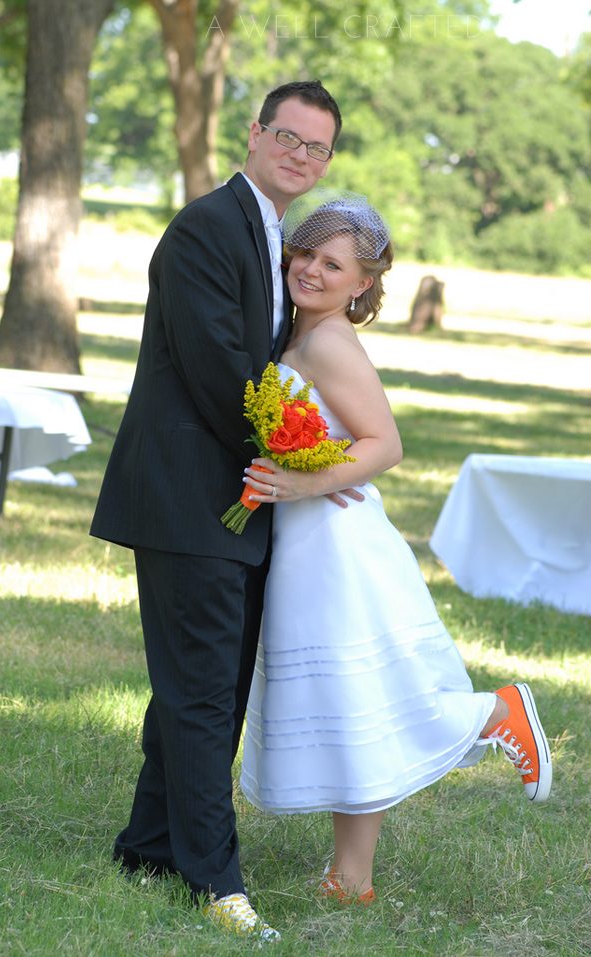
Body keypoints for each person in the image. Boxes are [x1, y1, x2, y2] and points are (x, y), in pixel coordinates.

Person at [90, 81, 368, 942]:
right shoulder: (207, 227)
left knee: (199, 686)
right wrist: (312, 459)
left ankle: (149, 846)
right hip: (187, 499)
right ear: (254, 134)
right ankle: (217, 880)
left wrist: (308, 467)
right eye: (287, 135)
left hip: (231, 504)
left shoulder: (273, 235)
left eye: (315, 147)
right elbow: (222, 375)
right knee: (207, 693)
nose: (299, 154)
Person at [239, 193, 552, 904]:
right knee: (354, 704)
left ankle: (494, 712)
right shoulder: (299, 332)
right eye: (306, 254)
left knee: (364, 694)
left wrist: (297, 481)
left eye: (333, 263)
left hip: (337, 545)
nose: (311, 270)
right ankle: (353, 879)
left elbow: (386, 443)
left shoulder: (326, 342)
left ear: (362, 284)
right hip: (308, 544)